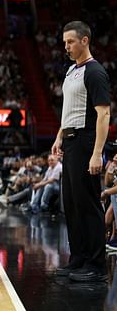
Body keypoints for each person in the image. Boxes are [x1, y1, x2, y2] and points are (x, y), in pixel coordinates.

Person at [52, 21, 111, 282]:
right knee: (72, 205)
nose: (66, 46)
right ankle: (77, 259)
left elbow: (104, 114)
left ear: (85, 40)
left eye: (70, 42)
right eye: (64, 42)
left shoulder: (95, 71)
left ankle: (96, 266)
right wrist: (59, 136)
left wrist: (97, 152)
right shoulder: (70, 71)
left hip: (87, 141)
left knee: (88, 204)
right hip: (71, 141)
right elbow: (69, 109)